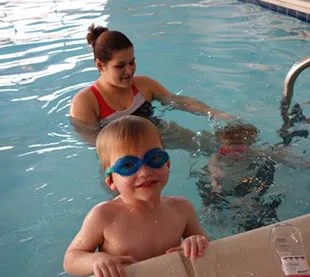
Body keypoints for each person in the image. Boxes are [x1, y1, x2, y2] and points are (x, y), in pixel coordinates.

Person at [63, 115, 209, 277]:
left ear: (167, 164)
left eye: (154, 158)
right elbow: (71, 259)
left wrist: (195, 242)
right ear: (111, 180)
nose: (145, 172)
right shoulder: (104, 216)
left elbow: (208, 245)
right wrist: (96, 260)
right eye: (128, 165)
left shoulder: (182, 209)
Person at [69, 24, 234, 150]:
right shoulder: (85, 102)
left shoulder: (144, 85)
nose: (129, 70)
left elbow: (178, 101)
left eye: (132, 62)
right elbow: (96, 144)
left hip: (157, 132)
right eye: (120, 66)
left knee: (213, 146)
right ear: (100, 65)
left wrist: (213, 112)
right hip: (123, 154)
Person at [196, 121, 310, 232]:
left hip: (245, 184)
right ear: (222, 144)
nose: (235, 150)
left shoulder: (252, 152)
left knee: (250, 203)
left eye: (239, 145)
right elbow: (212, 167)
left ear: (249, 144)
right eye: (230, 145)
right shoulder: (218, 156)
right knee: (210, 197)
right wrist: (214, 176)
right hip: (224, 184)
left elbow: (275, 154)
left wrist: (300, 162)